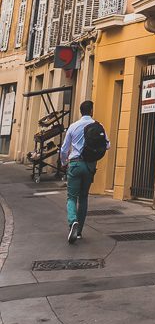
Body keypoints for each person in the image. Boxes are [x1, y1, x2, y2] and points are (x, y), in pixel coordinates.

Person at [59, 99, 109, 244]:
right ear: (91, 111)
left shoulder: (73, 126)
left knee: (71, 197)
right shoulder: (99, 126)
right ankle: (79, 231)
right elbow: (107, 145)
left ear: (81, 111)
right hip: (89, 166)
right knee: (84, 198)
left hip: (75, 164)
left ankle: (72, 221)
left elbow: (64, 149)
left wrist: (63, 163)